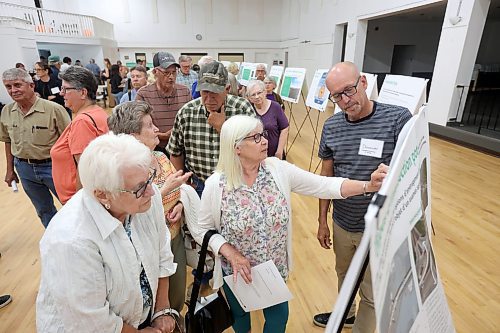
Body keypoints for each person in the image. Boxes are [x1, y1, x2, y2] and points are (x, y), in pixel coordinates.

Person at [188, 115, 388, 333]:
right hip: (236, 272)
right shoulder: (216, 185)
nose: (265, 140)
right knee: (240, 317)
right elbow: (202, 229)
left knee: (278, 319)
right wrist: (231, 254)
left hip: (274, 269)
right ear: (236, 147)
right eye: (256, 138)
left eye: (263, 134)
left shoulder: (277, 170)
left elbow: (323, 185)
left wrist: (367, 185)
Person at [36, 133, 178, 333]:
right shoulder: (71, 240)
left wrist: (162, 310)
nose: (152, 192)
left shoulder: (146, 195)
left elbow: (162, 251)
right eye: (139, 188)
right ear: (102, 194)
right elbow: (91, 321)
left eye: (150, 179)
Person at [312, 61, 413, 332]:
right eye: (337, 96)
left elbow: (412, 169)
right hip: (343, 222)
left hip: (380, 228)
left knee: (371, 291)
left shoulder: (398, 118)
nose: (345, 100)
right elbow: (326, 178)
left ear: (364, 83)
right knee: (344, 276)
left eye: (349, 90)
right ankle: (347, 313)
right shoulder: (332, 127)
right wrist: (323, 219)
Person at [108, 101, 194, 313]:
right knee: (151, 304)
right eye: (149, 125)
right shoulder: (124, 172)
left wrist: (181, 205)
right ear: (132, 135)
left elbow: (178, 192)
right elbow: (130, 209)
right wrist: (166, 188)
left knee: (176, 296)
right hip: (146, 245)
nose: (156, 129)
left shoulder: (160, 157)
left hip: (174, 237)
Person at [168, 61, 255, 197]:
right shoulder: (186, 112)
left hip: (236, 183)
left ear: (226, 89)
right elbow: (175, 152)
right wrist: (182, 185)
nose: (209, 99)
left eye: (215, 92)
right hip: (199, 185)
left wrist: (223, 128)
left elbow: (253, 150)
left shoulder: (242, 109)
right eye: (205, 92)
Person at [1, 68, 70, 227]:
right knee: (43, 210)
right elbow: (7, 140)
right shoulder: (7, 111)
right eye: (8, 86)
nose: (13, 90)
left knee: (71, 206)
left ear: (31, 85)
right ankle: (55, 241)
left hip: (53, 167)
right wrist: (10, 170)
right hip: (24, 169)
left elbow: (69, 142)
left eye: (17, 85)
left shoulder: (54, 109)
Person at [50, 66, 109, 204]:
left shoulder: (82, 122)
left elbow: (85, 169)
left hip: (79, 199)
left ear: (83, 92)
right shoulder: (97, 112)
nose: (61, 93)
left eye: (65, 89)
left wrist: (79, 204)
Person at [136, 51, 191, 151]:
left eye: (174, 72)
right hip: (155, 147)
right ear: (155, 72)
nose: (171, 77)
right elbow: (139, 126)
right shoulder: (143, 94)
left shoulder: (185, 92)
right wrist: (162, 135)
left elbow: (190, 120)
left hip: (182, 147)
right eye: (166, 73)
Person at [246, 80, 288, 158]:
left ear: (265, 92)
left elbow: (284, 128)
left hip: (274, 154)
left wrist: (279, 151)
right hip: (255, 155)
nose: (257, 97)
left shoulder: (275, 107)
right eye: (253, 95)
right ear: (249, 98)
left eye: (259, 93)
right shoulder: (248, 109)